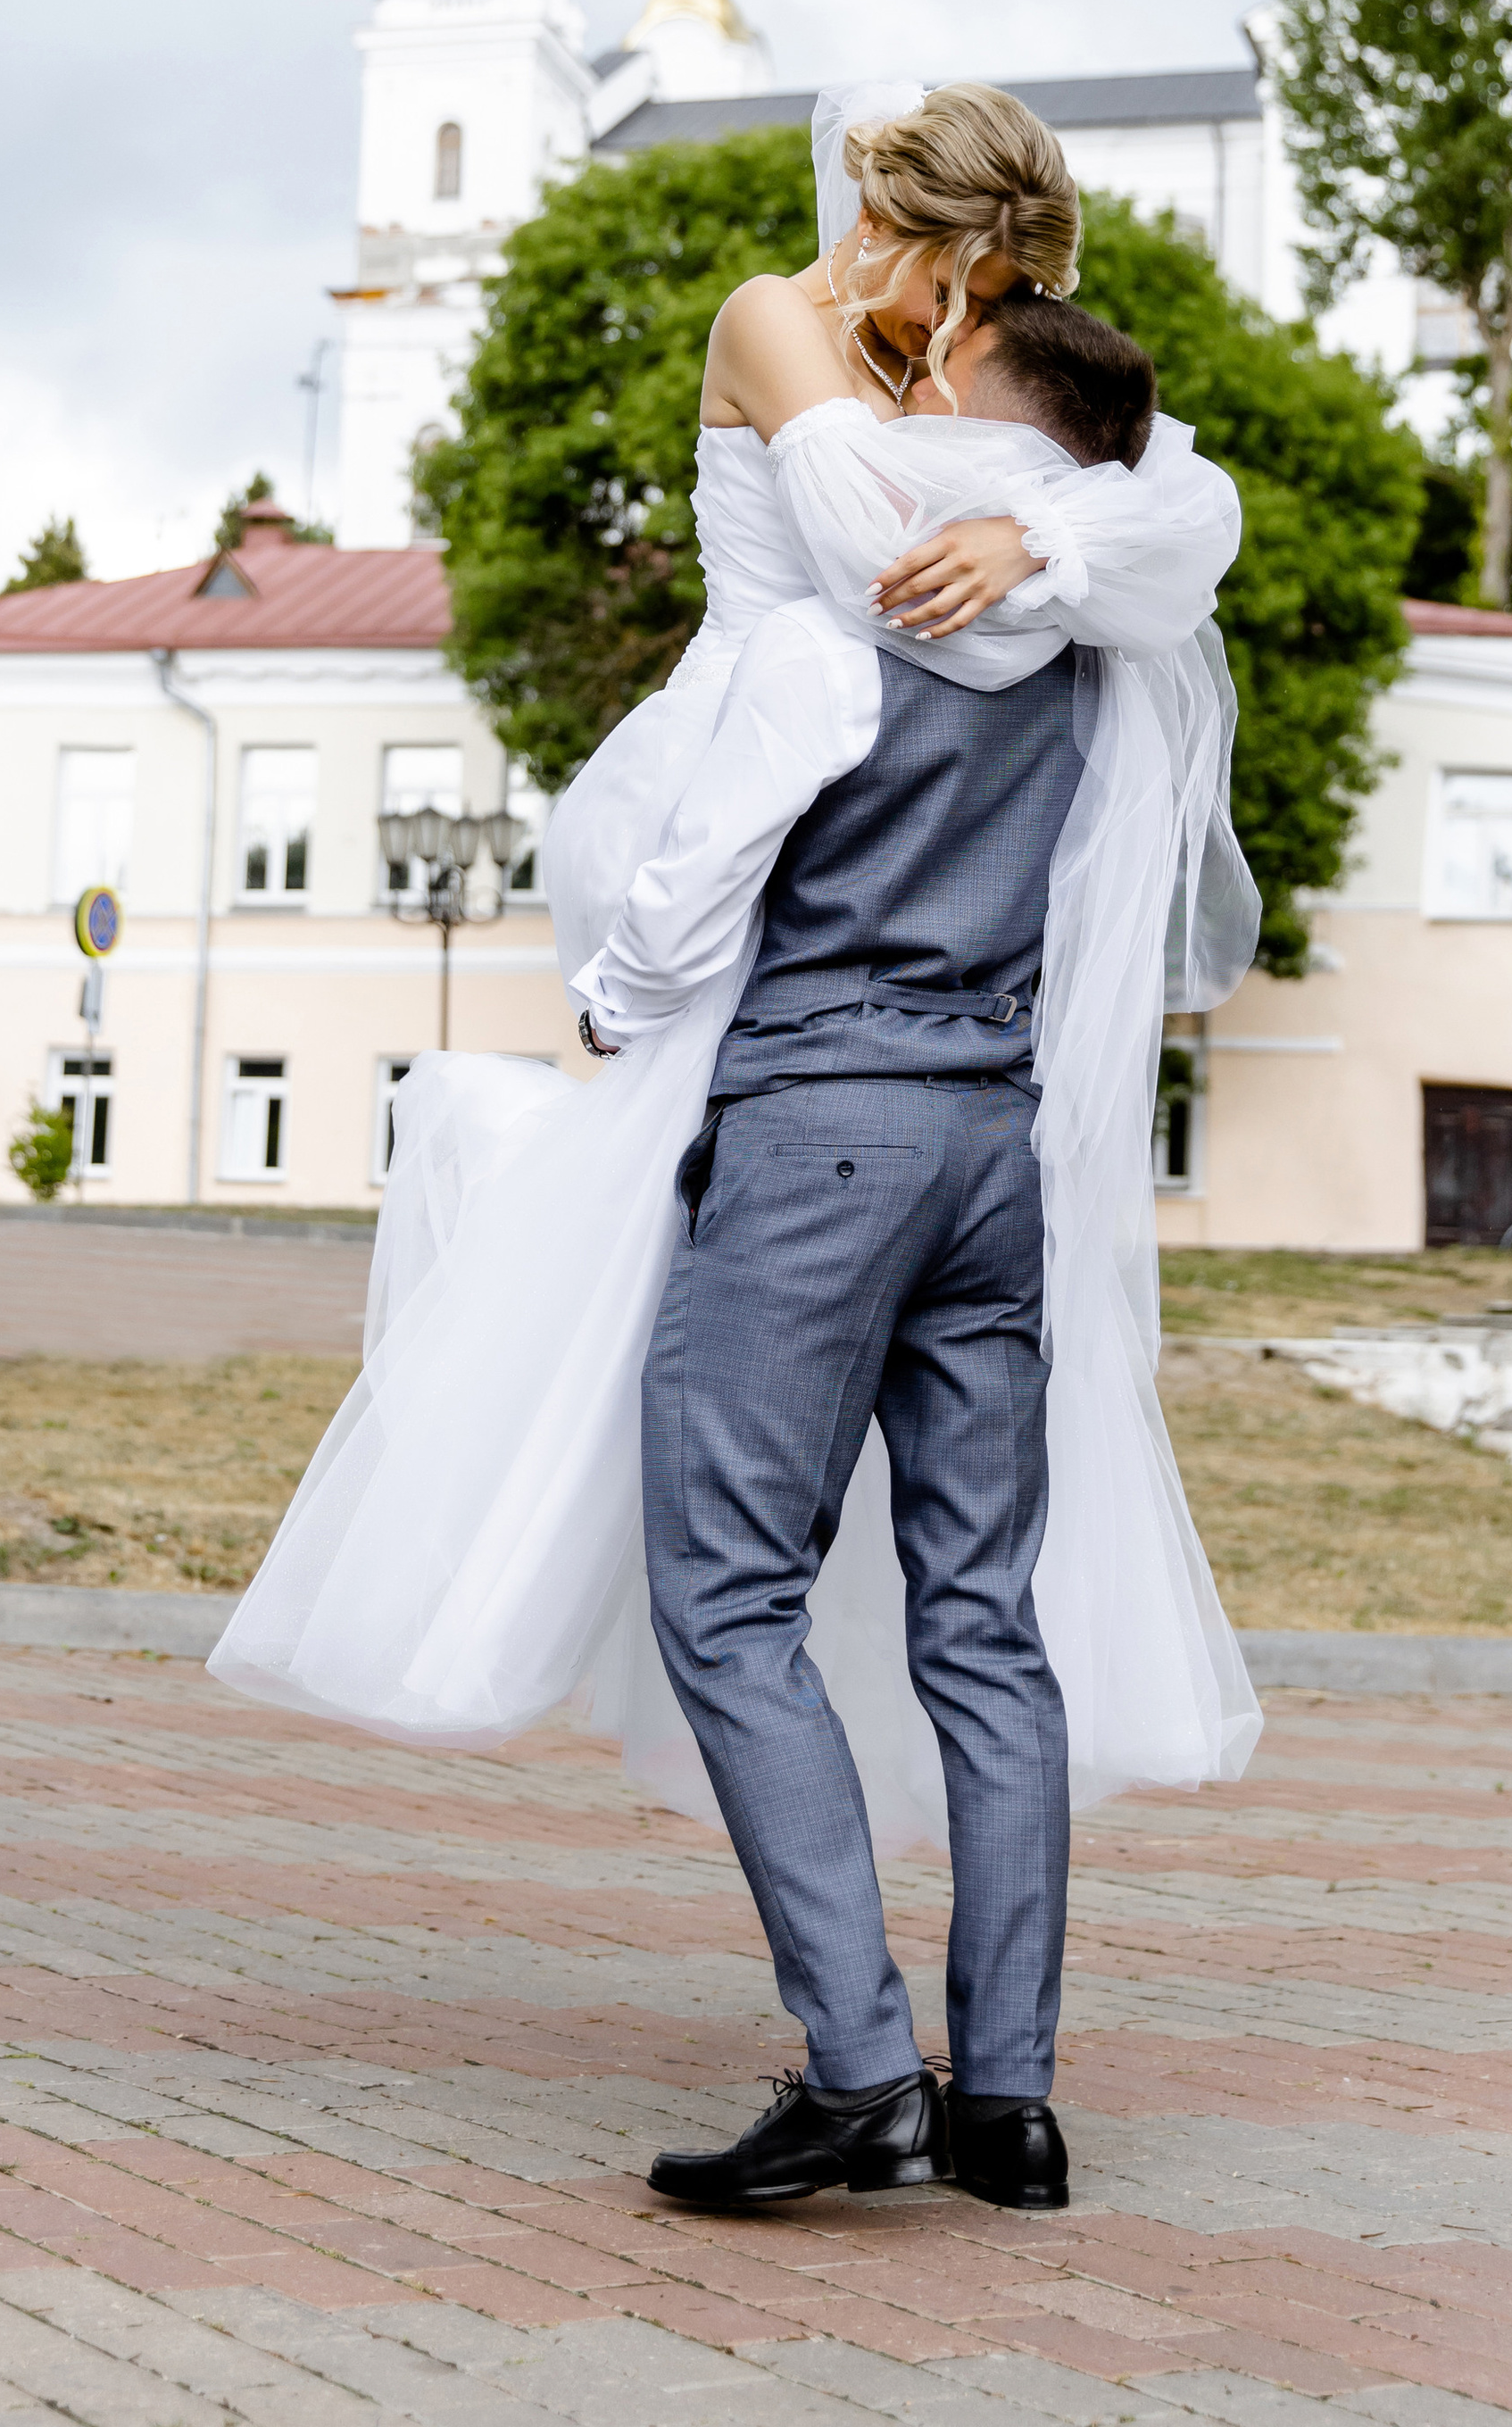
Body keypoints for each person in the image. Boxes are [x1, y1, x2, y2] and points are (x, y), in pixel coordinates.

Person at [208, 81, 1260, 1862]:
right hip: (733, 779)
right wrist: (1064, 527)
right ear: (943, 253)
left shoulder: (961, 384)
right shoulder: (774, 320)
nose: (957, 335)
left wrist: (1054, 532)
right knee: (666, 1205)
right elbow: (884, 577)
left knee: (717, 1223)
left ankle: (748, 1617)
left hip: (855, 804)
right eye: (966, 297)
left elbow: (1194, 506)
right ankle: (563, 1553)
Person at [576, 297, 1171, 2215]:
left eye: (945, 399)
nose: (911, 417)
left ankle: (854, 2069)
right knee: (980, 1619)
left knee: (728, 1592)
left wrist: (603, 1005)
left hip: (822, 1132)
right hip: (992, 1149)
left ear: (1006, 449)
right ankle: (1007, 2094)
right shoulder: (1094, 658)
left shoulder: (835, 636)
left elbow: (687, 902)